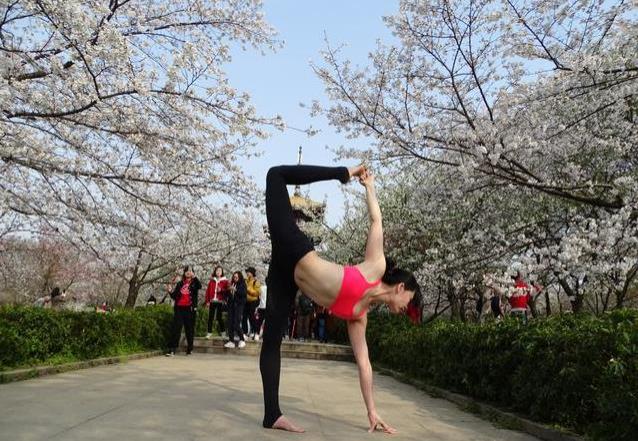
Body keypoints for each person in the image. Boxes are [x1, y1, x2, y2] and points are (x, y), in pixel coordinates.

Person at [260, 164, 421, 433]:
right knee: (275, 175)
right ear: (400, 287)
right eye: (410, 300)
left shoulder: (359, 316)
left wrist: (372, 411)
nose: (407, 308)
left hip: (286, 277)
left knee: (272, 339)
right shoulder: (375, 266)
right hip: (294, 249)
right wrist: (368, 186)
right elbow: (376, 221)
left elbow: (364, 363)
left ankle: (272, 415)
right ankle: (340, 172)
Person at [166, 265, 202, 356]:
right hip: (179, 308)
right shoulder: (180, 283)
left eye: (190, 271)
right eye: (186, 271)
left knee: (189, 329)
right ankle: (172, 349)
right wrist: (170, 291)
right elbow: (175, 296)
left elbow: (199, 286)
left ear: (192, 272)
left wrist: (195, 277)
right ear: (184, 273)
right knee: (176, 328)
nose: (188, 272)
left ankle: (190, 348)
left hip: (190, 309)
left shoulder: (195, 283)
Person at [204, 266, 230, 339]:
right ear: (215, 272)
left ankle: (223, 332)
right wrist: (207, 301)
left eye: (220, 271)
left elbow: (228, 292)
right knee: (210, 317)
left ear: (222, 272)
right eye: (217, 270)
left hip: (220, 301)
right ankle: (209, 333)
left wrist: (221, 290)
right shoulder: (212, 281)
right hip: (212, 301)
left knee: (219, 317)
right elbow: (207, 292)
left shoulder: (225, 281)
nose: (218, 272)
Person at [224, 271, 247, 349]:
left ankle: (242, 339)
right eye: (234, 277)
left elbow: (243, 294)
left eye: (236, 277)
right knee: (230, 323)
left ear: (240, 277)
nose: (235, 278)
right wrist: (228, 290)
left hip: (239, 306)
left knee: (236, 324)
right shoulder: (231, 284)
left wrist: (236, 290)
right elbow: (228, 295)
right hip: (231, 306)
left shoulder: (243, 284)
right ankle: (231, 341)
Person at [243, 266, 261, 340]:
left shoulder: (256, 282)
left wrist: (248, 290)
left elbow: (257, 293)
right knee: (244, 317)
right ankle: (245, 332)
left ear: (252, 273)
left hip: (253, 301)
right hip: (245, 301)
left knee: (251, 316)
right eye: (247, 272)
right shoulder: (245, 281)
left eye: (249, 272)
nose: (247, 273)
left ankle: (256, 332)